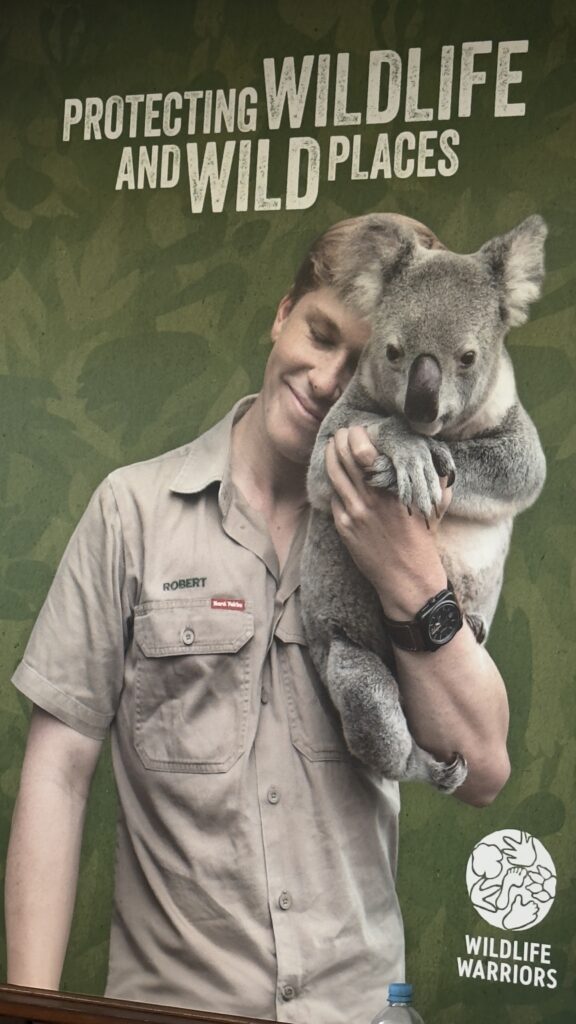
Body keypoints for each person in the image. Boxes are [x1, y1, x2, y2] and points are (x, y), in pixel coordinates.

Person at [4, 213, 510, 1024]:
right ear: (281, 315)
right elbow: (58, 776)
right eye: (318, 335)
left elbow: (482, 768)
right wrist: (28, 1008)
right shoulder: (130, 512)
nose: (325, 382)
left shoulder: (421, 527)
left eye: (361, 364)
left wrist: (407, 576)